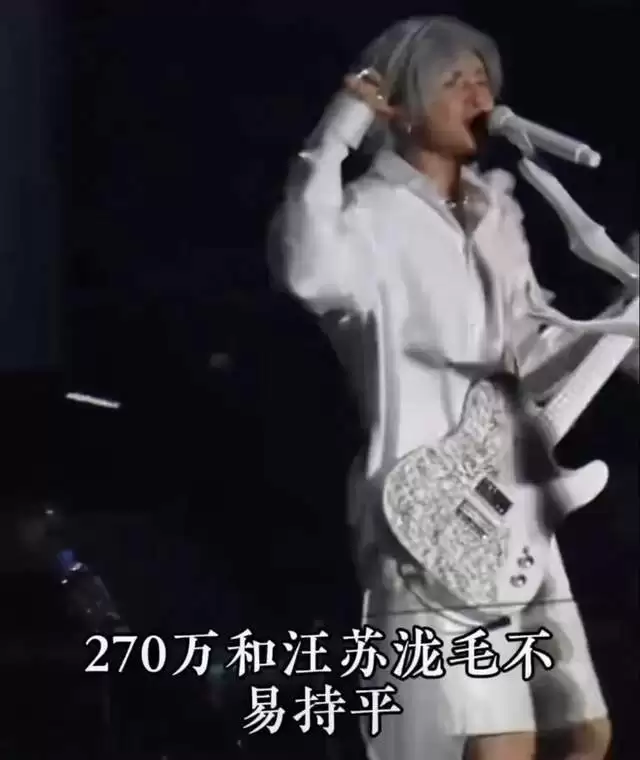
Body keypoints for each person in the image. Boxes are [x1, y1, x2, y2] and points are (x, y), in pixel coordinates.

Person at [268, 16, 637, 760]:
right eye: (453, 81)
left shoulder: (498, 214)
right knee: (497, 744)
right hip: (426, 514)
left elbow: (526, 360)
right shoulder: (370, 216)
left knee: (584, 733)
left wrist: (619, 324)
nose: (479, 94)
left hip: (516, 508)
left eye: (482, 79)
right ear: (400, 109)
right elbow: (307, 271)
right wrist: (335, 137)